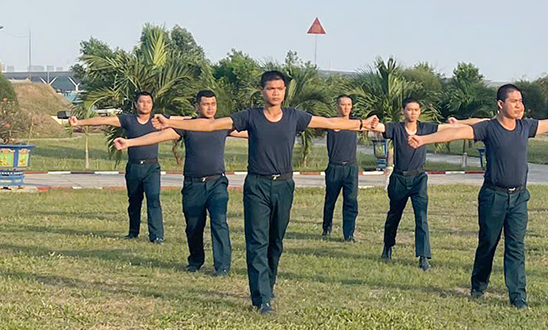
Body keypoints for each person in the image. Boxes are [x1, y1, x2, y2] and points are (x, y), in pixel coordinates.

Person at [156, 71, 377, 314]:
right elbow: (210, 124)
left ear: (284, 92)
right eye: (270, 88)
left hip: (284, 185)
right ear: (262, 91)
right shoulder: (250, 117)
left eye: (279, 89)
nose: (275, 93)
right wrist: (171, 122)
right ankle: (261, 298)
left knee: (275, 241)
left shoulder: (294, 116)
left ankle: (268, 285)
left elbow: (330, 122)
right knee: (257, 241)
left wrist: (361, 124)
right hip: (257, 187)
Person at [405, 86, 548, 308]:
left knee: (516, 246)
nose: (519, 105)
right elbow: (456, 132)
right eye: (514, 101)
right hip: (493, 196)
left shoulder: (525, 126)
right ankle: (478, 285)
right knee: (488, 243)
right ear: (501, 104)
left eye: (521, 101)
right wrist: (423, 140)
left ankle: (518, 296)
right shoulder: (488, 128)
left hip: (519, 198)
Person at [113, 90, 247, 275]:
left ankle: (222, 266)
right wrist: (130, 143)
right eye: (206, 104)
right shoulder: (187, 126)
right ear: (197, 106)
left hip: (217, 183)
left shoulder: (221, 125)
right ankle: (195, 261)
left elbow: (254, 131)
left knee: (219, 222)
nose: (210, 107)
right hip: (193, 185)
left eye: (213, 104)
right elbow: (158, 136)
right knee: (193, 225)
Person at [70, 91, 166, 243]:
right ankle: (133, 232)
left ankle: (157, 235)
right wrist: (79, 122)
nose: (145, 104)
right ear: (136, 104)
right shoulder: (128, 120)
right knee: (134, 201)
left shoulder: (158, 121)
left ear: (152, 104)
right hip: (134, 167)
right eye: (141, 101)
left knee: (153, 200)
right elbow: (105, 121)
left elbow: (183, 122)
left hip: (152, 167)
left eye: (148, 102)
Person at [378, 99, 440, 269]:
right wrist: (369, 123)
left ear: (420, 112)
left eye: (416, 110)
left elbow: (447, 129)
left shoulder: (426, 128)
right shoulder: (396, 128)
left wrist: (461, 123)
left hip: (419, 179)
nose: (413, 113)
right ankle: (388, 246)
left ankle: (423, 256)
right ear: (403, 111)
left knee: (421, 217)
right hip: (399, 178)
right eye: (409, 109)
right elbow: (379, 128)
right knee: (394, 215)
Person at [321, 94, 362, 241]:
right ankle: (326, 227)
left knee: (351, 200)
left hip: (351, 167)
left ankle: (349, 234)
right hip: (334, 168)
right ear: (337, 107)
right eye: (343, 105)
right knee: (330, 200)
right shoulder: (331, 123)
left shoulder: (355, 124)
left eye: (349, 105)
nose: (346, 108)